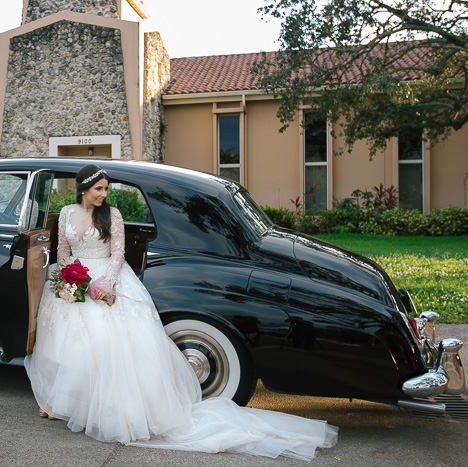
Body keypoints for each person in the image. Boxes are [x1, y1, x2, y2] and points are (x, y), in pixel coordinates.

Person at [24, 164, 338, 461]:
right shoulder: (66, 212)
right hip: (78, 276)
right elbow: (63, 253)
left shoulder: (113, 215)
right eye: (99, 189)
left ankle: (106, 406)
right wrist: (80, 280)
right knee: (65, 337)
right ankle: (61, 402)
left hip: (110, 278)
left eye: (106, 189)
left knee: (108, 341)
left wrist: (105, 282)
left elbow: (118, 253)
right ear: (83, 188)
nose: (104, 195)